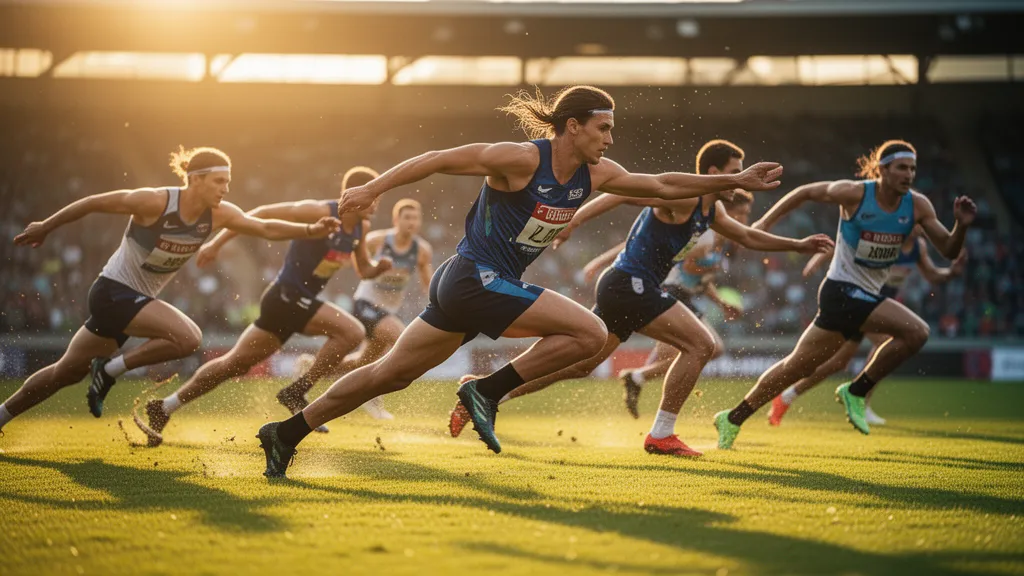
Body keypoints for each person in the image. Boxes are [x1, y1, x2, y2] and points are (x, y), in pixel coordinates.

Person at [254, 85, 788, 478]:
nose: (610, 137)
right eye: (603, 127)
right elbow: (439, 159)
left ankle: (285, 433)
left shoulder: (597, 174)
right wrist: (374, 188)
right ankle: (485, 392)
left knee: (387, 375)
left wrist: (733, 180)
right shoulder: (518, 159)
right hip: (471, 279)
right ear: (572, 126)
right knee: (588, 335)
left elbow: (664, 184)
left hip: (471, 286)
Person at [447, 140, 831, 457]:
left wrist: (798, 244)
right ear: (716, 173)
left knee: (581, 365)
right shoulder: (683, 198)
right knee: (702, 345)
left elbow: (749, 238)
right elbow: (618, 194)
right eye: (737, 167)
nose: (742, 174)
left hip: (627, 288)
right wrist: (573, 220)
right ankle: (662, 434)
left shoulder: (709, 208)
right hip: (630, 285)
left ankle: (486, 389)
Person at [0, 146, 340, 433]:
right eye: (219, 181)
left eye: (228, 182)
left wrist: (312, 229)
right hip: (112, 292)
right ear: (195, 179)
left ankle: (2, 415)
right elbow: (93, 202)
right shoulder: (155, 203)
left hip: (133, 302)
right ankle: (110, 369)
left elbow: (264, 226)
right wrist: (46, 226)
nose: (225, 189)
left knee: (66, 372)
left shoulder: (219, 214)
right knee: (189, 338)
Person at [714, 140, 976, 449]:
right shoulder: (855, 194)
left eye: (913, 168)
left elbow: (948, 249)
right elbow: (804, 192)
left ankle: (732, 417)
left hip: (861, 296)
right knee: (917, 332)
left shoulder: (918, 206)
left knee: (796, 367)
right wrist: (763, 223)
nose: (909, 174)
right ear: (882, 170)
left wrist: (960, 225)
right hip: (841, 291)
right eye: (902, 168)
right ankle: (857, 391)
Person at [135, 167, 389, 446]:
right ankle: (298, 390)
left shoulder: (361, 229)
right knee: (351, 333)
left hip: (295, 303)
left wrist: (380, 269)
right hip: (286, 296)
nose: (376, 203)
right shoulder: (319, 211)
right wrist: (216, 244)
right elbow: (261, 213)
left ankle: (164, 407)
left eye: (378, 196)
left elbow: (364, 269)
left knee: (233, 363)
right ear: (351, 195)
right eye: (373, 195)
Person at [767, 225, 966, 426]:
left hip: (880, 308)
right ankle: (860, 398)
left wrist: (951, 273)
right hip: (862, 302)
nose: (919, 226)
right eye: (916, 221)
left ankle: (786, 397)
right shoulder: (888, 238)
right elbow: (849, 249)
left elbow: (932, 274)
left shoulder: (919, 247)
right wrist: (821, 257)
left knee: (838, 362)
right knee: (886, 342)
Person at [616, 190, 752, 419]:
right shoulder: (706, 236)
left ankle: (638, 379)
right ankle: (649, 397)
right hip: (670, 291)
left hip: (684, 295)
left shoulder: (723, 243)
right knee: (708, 348)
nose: (745, 220)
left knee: (688, 352)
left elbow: (702, 281)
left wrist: (721, 303)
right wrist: (711, 268)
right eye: (741, 214)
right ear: (727, 212)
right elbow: (687, 267)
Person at [341, 198, 434, 420]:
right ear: (396, 220)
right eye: (407, 217)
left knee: (362, 362)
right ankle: (373, 398)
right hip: (365, 303)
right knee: (402, 339)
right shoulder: (378, 240)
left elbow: (428, 285)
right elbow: (355, 257)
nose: (411, 222)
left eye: (415, 217)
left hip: (388, 311)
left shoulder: (422, 250)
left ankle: (310, 368)